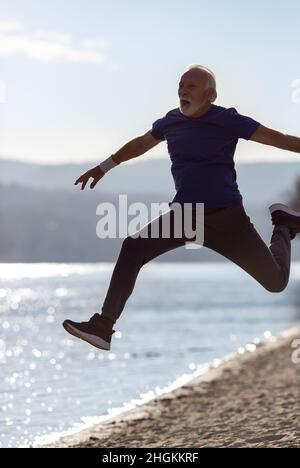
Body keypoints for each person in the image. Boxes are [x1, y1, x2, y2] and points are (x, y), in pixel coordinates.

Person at [63, 64, 300, 351]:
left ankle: (284, 225)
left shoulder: (228, 120)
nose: (182, 91)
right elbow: (141, 144)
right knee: (133, 247)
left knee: (275, 282)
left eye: (191, 86)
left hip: (227, 219)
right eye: (181, 85)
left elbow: (278, 138)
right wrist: (105, 166)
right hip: (185, 216)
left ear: (210, 95)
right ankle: (103, 326)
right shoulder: (171, 122)